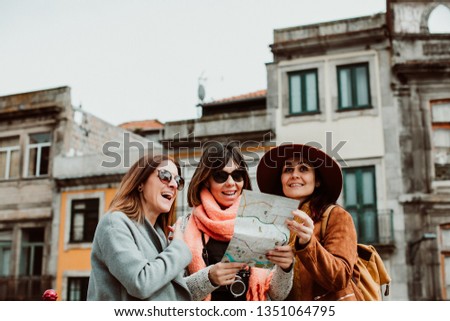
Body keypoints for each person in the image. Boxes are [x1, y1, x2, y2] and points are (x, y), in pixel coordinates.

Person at [183, 141, 294, 301]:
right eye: (220, 176)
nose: (231, 183)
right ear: (206, 180)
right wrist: (209, 278)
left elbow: (277, 295)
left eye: (237, 175)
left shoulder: (263, 223)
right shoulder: (184, 227)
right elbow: (174, 292)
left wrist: (286, 268)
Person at [256, 144, 363, 301]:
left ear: (317, 181)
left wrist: (308, 244)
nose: (294, 175)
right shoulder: (271, 223)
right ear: (281, 180)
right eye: (288, 170)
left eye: (304, 169)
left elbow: (340, 278)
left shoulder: (336, 216)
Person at [87, 154, 192, 300]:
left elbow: (170, 293)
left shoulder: (160, 235)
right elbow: (140, 283)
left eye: (178, 180)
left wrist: (211, 277)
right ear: (140, 183)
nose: (174, 185)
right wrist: (179, 247)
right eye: (165, 176)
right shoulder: (114, 224)